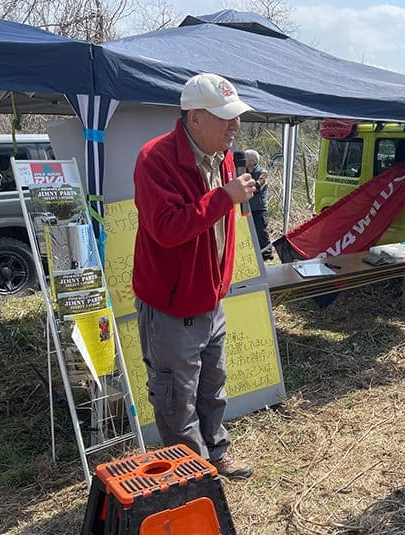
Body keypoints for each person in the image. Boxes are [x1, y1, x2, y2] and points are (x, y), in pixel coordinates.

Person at [132, 73, 257, 479]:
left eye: (236, 116)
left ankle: (216, 452)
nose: (234, 125)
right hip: (172, 304)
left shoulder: (222, 158)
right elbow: (167, 228)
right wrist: (224, 197)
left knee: (212, 385)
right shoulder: (156, 158)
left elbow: (218, 225)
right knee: (175, 396)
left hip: (210, 297)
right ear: (195, 117)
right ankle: (190, 473)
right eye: (226, 117)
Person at [244, 149, 273, 260]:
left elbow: (258, 186)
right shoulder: (243, 172)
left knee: (261, 232)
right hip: (247, 208)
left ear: (252, 161)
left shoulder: (263, 173)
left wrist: (243, 187)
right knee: (248, 232)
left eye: (245, 158)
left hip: (259, 209)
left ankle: (267, 254)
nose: (243, 161)